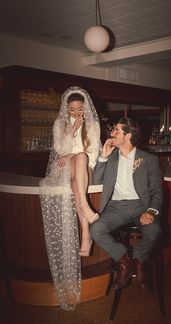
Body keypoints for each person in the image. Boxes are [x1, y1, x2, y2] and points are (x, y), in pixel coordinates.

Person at [39, 86, 101, 310]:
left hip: (85, 168)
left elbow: (93, 153)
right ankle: (86, 233)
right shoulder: (60, 124)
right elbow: (59, 149)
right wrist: (72, 131)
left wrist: (76, 154)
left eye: (79, 110)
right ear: (67, 109)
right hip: (63, 166)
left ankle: (85, 231)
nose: (76, 114)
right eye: (72, 110)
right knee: (76, 169)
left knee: (82, 159)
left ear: (85, 108)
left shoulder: (93, 124)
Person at [90, 117, 163, 290]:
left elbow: (156, 190)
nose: (112, 133)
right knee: (96, 229)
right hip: (116, 207)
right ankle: (125, 263)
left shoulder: (148, 159)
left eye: (116, 131)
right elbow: (96, 180)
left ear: (128, 136)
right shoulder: (111, 157)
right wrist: (103, 157)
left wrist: (151, 212)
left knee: (154, 230)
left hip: (141, 207)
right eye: (113, 130)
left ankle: (139, 261)